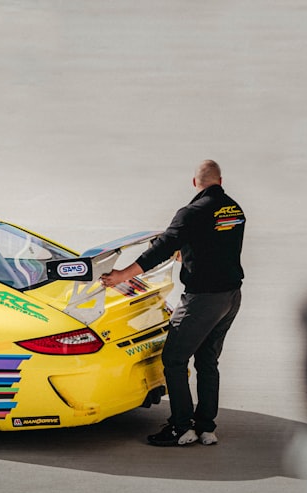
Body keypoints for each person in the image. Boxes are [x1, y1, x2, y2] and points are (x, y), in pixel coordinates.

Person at [100, 159, 245, 447]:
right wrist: (188, 252)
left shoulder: (191, 212)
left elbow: (161, 248)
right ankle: (206, 428)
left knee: (174, 359)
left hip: (202, 300)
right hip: (231, 297)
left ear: (195, 183)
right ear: (220, 180)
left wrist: (122, 276)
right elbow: (217, 244)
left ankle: (181, 427)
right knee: (207, 361)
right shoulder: (234, 209)